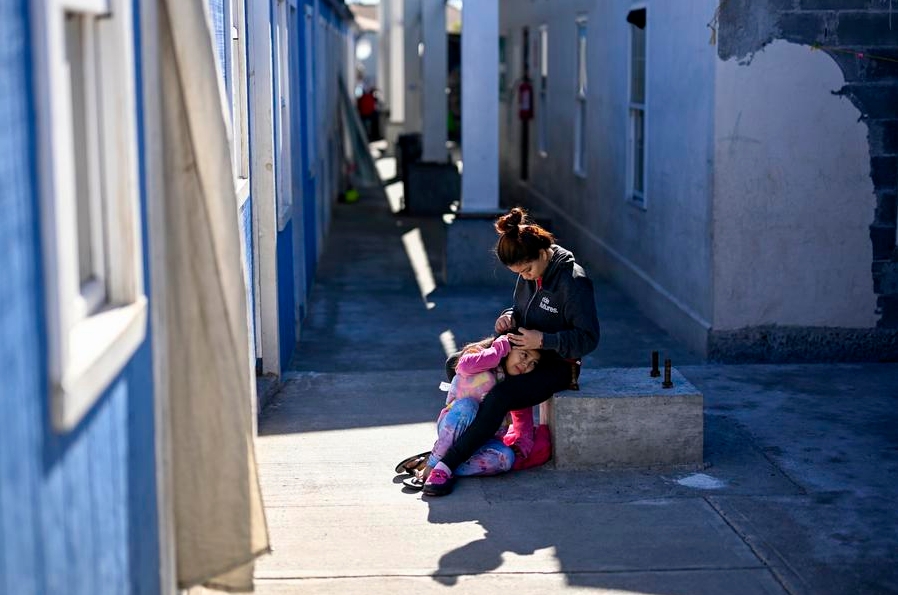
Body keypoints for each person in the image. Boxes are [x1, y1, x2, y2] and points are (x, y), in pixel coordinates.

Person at [422, 207, 601, 496]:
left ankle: (448, 462)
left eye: (527, 269)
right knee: (458, 363)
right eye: (519, 274)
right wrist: (509, 317)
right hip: (520, 346)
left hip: (554, 363)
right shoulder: (530, 274)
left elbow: (589, 338)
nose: (526, 277)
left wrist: (542, 341)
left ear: (543, 252)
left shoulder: (574, 282)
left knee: (501, 396)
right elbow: (522, 310)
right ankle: (465, 434)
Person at [398, 334, 542, 490]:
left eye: (533, 363)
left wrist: (522, 446)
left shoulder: (516, 386)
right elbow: (464, 366)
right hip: (454, 426)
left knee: (505, 459)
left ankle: (444, 465)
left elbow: (524, 418)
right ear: (510, 346)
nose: (525, 363)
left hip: (483, 441)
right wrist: (500, 347)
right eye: (524, 354)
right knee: (467, 406)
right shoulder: (479, 356)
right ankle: (432, 464)